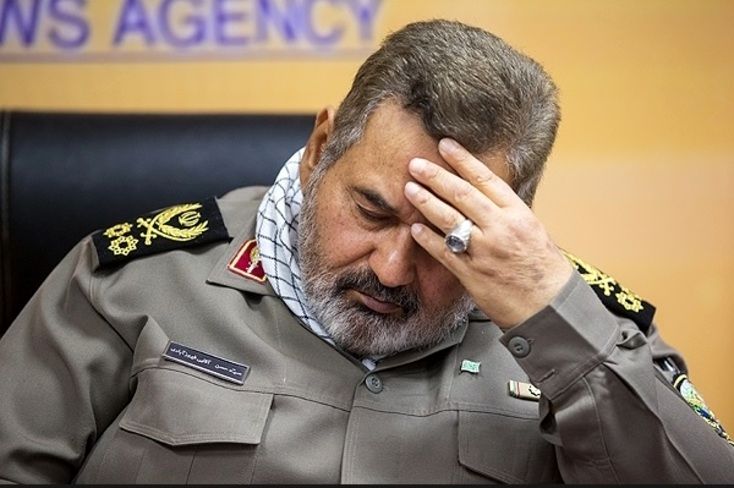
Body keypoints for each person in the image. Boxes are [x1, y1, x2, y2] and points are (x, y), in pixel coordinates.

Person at [0, 19, 732, 484]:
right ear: (321, 148)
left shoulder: (577, 326)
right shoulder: (133, 282)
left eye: (446, 235)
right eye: (372, 211)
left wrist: (556, 321)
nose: (390, 269)